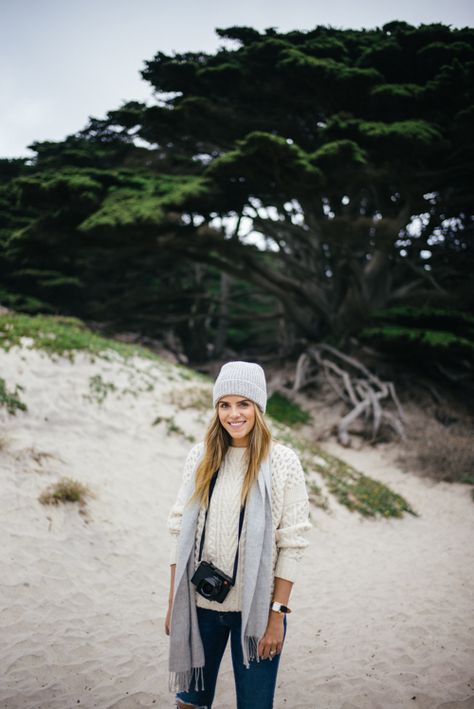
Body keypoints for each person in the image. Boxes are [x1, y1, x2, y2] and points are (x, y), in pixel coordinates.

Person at [165, 361, 311, 709]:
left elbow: (292, 543)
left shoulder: (283, 462)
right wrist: (173, 604)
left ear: (258, 408)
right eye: (224, 404)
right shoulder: (200, 456)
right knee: (188, 704)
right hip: (199, 607)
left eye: (243, 403)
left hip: (257, 612)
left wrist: (277, 617)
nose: (233, 414)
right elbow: (177, 528)